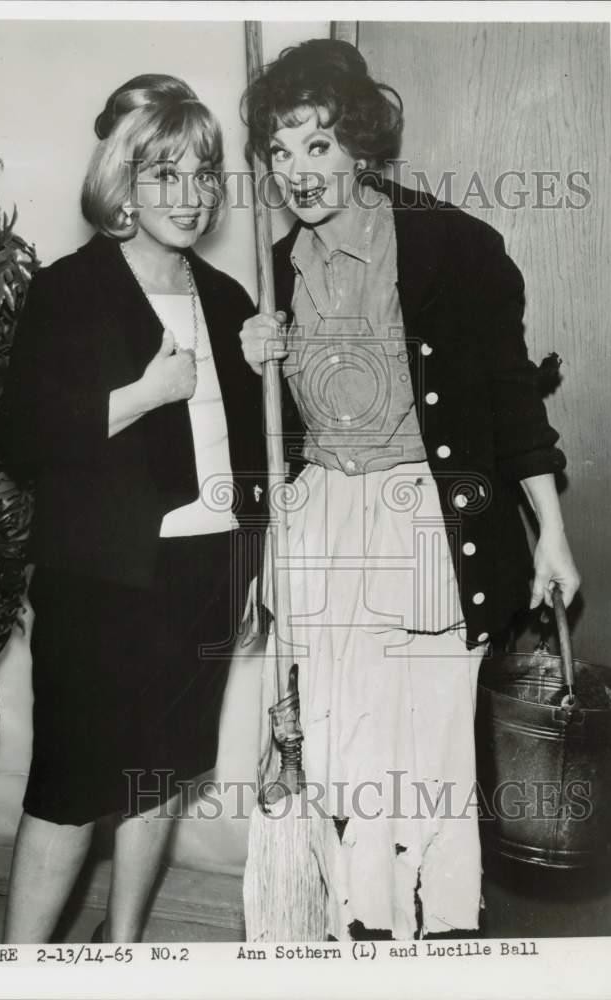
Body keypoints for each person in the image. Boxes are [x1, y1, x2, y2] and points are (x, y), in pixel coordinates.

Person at [239, 39, 581, 941]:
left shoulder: (452, 248)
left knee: (429, 771)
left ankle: (439, 941)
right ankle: (362, 939)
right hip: (322, 533)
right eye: (279, 150)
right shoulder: (274, 271)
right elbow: (272, 443)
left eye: (317, 145)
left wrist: (551, 533)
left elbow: (512, 402)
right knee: (345, 769)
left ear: (359, 144)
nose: (298, 171)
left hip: (427, 530)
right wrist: (253, 367)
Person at [0, 74, 266, 943]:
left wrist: (254, 560)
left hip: (210, 568)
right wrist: (144, 393)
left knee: (161, 779)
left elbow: (257, 451)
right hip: (104, 578)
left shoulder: (227, 301)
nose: (188, 198)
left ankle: (122, 958)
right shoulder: (70, 289)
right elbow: (21, 440)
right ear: (124, 183)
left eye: (203, 175)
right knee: (73, 790)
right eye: (165, 176)